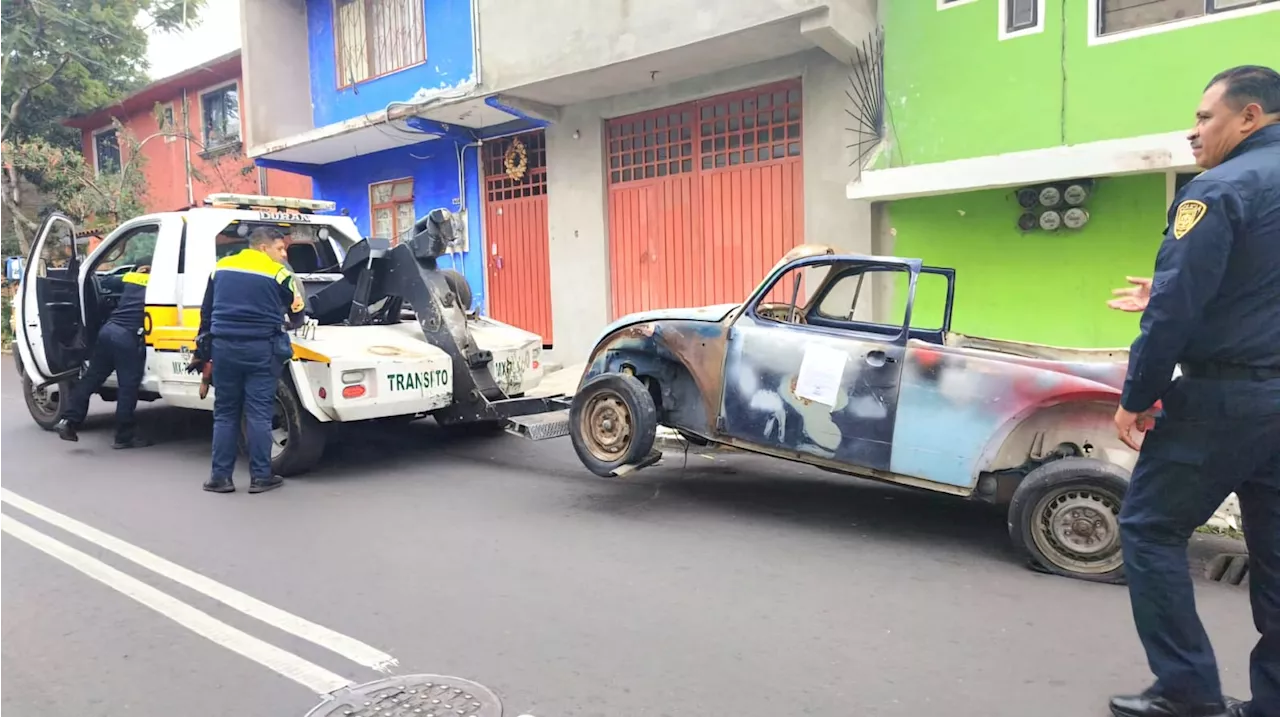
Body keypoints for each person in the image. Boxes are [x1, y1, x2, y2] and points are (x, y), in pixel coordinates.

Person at [1106, 65, 1280, 717]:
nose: (1193, 130)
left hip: (1220, 403)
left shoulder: (1221, 187)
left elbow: (1175, 310)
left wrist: (1138, 394)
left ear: (1250, 116)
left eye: (1205, 117)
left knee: (1149, 527)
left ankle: (1187, 693)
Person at [193, 227, 306, 494]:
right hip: (261, 351)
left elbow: (206, 312)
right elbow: (297, 312)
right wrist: (289, 324)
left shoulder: (220, 268)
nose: (283, 254)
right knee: (258, 414)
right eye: (280, 249)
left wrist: (203, 352)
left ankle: (220, 478)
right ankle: (261, 477)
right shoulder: (278, 273)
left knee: (225, 414)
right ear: (263, 248)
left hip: (224, 350)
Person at [55, 266, 154, 449]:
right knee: (128, 387)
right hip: (127, 337)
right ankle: (124, 435)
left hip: (107, 331)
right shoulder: (158, 283)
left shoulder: (131, 278)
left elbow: (105, 281)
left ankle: (68, 420)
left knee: (91, 379)